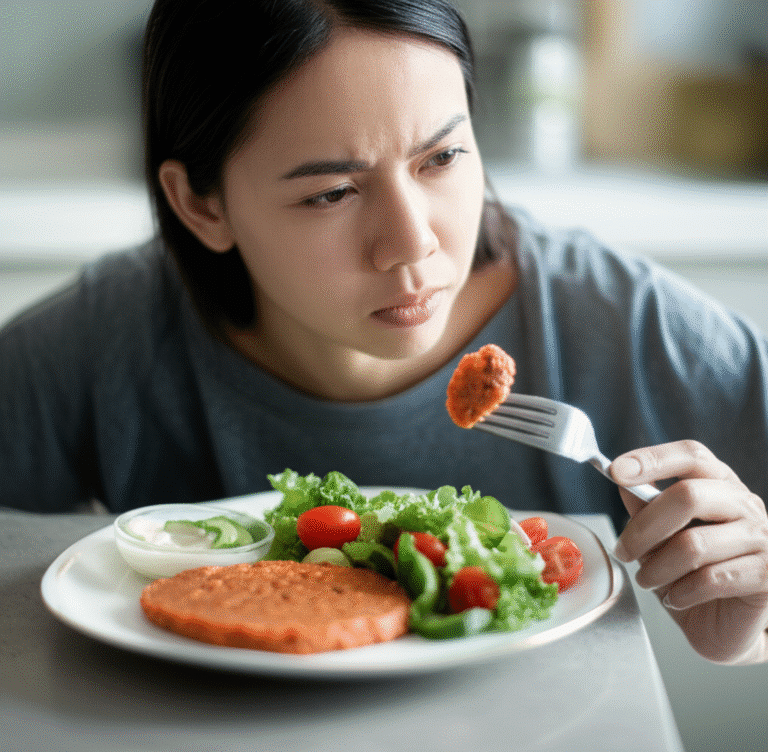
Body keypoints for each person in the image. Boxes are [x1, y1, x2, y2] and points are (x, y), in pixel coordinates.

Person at [1, 0, 766, 665]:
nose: (411, 244)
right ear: (202, 205)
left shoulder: (626, 324)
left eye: (443, 156)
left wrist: (754, 618)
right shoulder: (103, 340)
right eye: (332, 192)